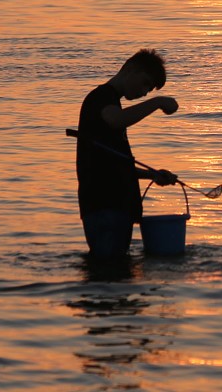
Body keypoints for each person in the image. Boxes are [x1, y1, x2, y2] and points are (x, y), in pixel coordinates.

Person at [77, 49, 179, 259]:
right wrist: (157, 102)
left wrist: (152, 175)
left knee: (118, 277)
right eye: (144, 84)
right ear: (130, 68)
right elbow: (116, 119)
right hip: (104, 206)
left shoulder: (112, 101)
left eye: (149, 91)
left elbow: (113, 164)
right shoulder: (101, 97)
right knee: (109, 274)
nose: (144, 92)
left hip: (116, 207)